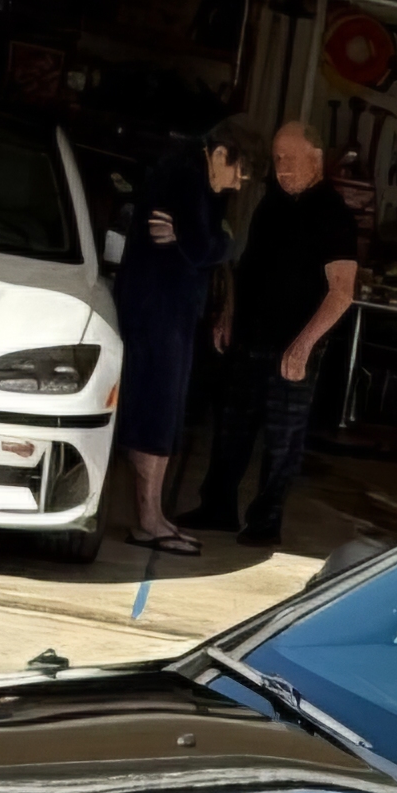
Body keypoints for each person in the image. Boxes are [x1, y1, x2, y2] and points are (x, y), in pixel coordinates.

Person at [188, 120, 359, 551]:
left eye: (290, 158)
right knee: (231, 428)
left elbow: (342, 292)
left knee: (283, 439)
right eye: (278, 158)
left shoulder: (333, 214)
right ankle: (218, 508)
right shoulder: (271, 204)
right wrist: (228, 313)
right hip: (250, 337)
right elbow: (245, 267)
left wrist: (304, 344)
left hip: (293, 347)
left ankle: (265, 522)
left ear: (316, 159)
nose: (281, 167)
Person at [107, 112, 248, 558]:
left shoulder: (204, 178)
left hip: (175, 311)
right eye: (239, 172)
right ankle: (147, 520)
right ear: (222, 154)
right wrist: (206, 243)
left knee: (167, 410)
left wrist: (200, 242)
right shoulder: (182, 174)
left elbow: (220, 242)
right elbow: (211, 245)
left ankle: (155, 514)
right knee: (154, 407)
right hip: (156, 311)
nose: (239, 184)